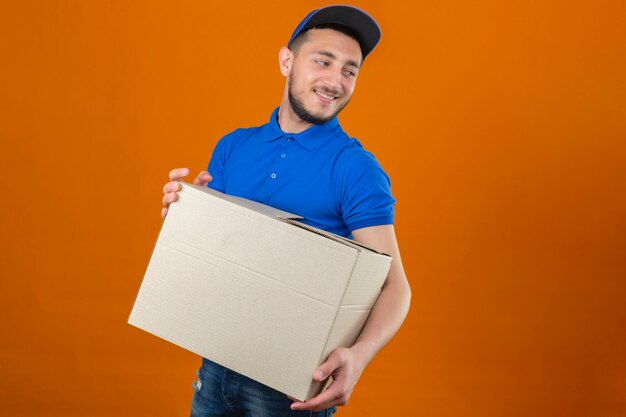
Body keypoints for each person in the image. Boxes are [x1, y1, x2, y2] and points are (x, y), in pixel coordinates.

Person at [161, 5, 411, 416]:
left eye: (350, 70)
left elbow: (395, 287)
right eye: (323, 61)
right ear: (287, 61)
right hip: (215, 367)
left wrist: (360, 356)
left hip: (290, 391)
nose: (335, 81)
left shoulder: (355, 168)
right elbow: (216, 259)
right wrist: (184, 219)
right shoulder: (233, 147)